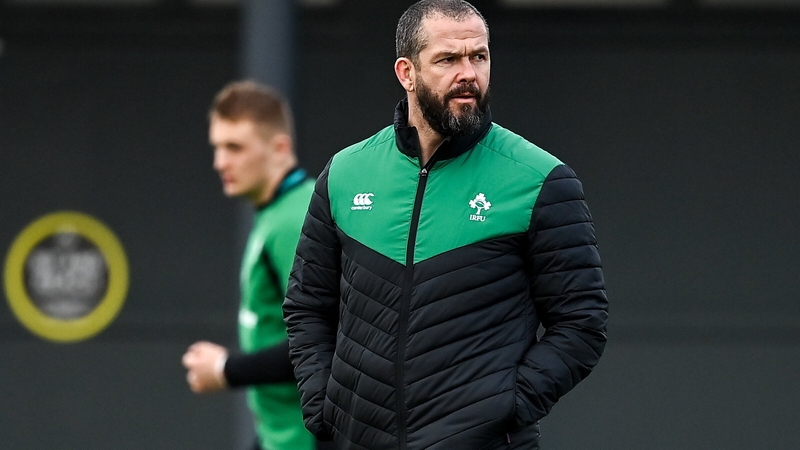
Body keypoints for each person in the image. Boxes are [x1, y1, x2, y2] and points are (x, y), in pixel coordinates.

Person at [282, 1, 609, 449]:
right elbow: (307, 306)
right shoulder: (344, 174)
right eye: (448, 59)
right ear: (407, 73)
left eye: (479, 56)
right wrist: (325, 406)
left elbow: (582, 322)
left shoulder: (540, 179)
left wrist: (505, 408)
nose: (469, 74)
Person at [181, 80, 328, 450]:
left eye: (235, 147)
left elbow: (324, 340)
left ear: (280, 148)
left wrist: (225, 370)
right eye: (217, 146)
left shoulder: (294, 218)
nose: (219, 162)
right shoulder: (275, 213)